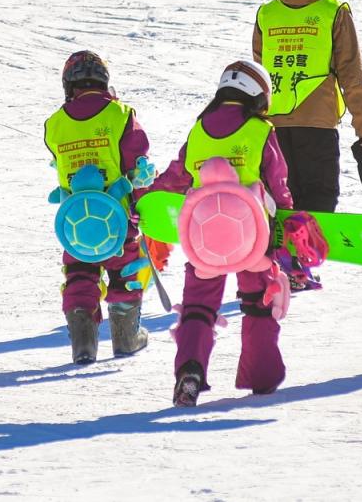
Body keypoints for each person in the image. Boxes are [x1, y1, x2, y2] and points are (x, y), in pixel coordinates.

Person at [150, 60, 291, 406]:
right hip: (254, 238)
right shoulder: (261, 130)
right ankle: (262, 376)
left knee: (198, 307)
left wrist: (143, 199)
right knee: (258, 304)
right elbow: (279, 184)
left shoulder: (198, 131)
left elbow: (175, 177)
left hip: (204, 240)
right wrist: (290, 226)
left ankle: (190, 372)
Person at [252, 0, 362, 291]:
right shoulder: (333, 11)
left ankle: (279, 264)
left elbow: (259, 70)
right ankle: (297, 265)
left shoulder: (267, 13)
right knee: (319, 197)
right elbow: (351, 75)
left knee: (280, 195)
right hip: (317, 122)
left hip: (272, 124)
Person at [45, 50, 153, 364]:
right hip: (118, 217)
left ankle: (83, 344)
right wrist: (142, 200)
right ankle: (125, 338)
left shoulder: (54, 124)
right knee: (124, 274)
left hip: (75, 221)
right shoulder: (120, 115)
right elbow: (137, 163)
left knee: (80, 273)